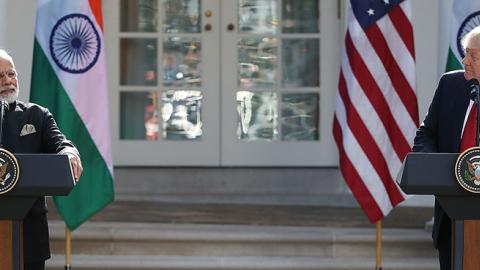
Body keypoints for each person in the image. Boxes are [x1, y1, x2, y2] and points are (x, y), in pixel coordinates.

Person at [0, 49, 83, 270]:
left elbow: (61, 144)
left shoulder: (36, 115)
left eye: (11, 74)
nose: (8, 81)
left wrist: (70, 153)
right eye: (0, 76)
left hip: (28, 233)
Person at [412, 26, 480, 270]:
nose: (465, 61)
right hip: (452, 220)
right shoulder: (451, 84)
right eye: (465, 54)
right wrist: (433, 166)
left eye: (473, 55)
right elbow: (426, 134)